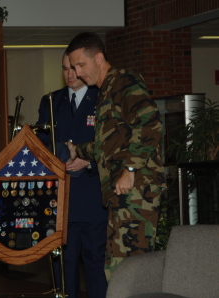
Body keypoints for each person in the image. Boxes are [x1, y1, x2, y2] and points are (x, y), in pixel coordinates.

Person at [65, 32, 167, 280]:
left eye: (81, 65)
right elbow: (108, 143)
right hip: (120, 195)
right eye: (74, 67)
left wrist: (130, 171)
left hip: (136, 193)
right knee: (116, 269)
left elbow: (150, 124)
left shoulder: (124, 82)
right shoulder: (106, 90)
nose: (77, 73)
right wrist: (79, 151)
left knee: (132, 270)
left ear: (99, 58)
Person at [36, 50, 108, 297]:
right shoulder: (51, 101)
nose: (70, 74)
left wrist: (87, 162)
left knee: (96, 264)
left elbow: (113, 146)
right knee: (63, 267)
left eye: (74, 68)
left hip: (92, 197)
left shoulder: (102, 98)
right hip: (61, 198)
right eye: (65, 69)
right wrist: (55, 159)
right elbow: (41, 143)